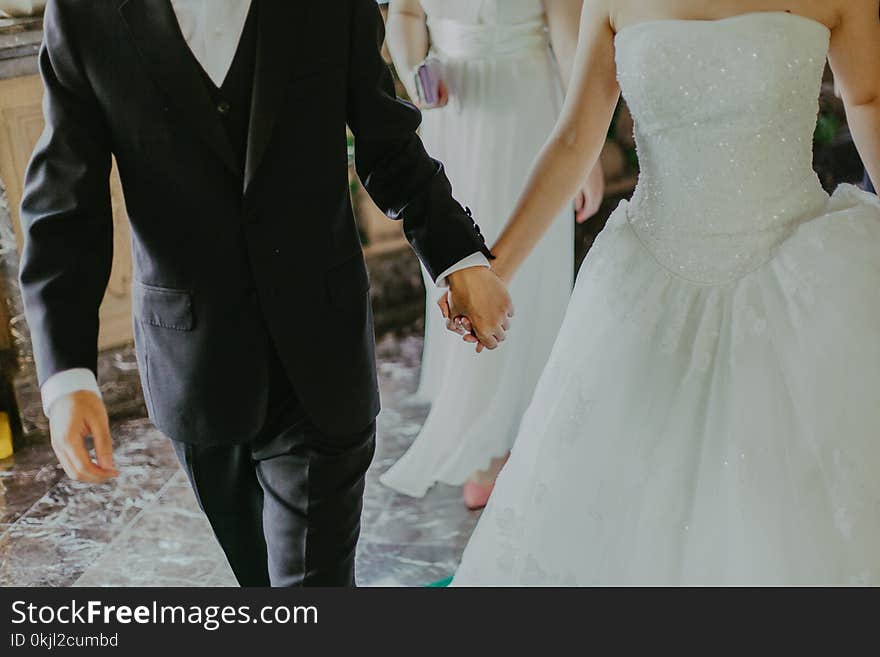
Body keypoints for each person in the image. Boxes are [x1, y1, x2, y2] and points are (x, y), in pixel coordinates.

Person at [18, 0, 512, 587]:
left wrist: (459, 258)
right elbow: (66, 208)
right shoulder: (85, 15)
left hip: (322, 355)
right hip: (193, 365)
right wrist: (67, 377)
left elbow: (388, 141)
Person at [452, 0, 880, 585]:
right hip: (647, 285)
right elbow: (577, 135)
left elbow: (867, 99)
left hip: (796, 279)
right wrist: (494, 269)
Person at [379, 0, 604, 509]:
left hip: (525, 116)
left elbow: (569, 43)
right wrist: (418, 76)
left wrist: (585, 155)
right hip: (450, 118)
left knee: (528, 266)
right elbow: (407, 15)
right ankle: (476, 433)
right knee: (457, 266)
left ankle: (525, 427)